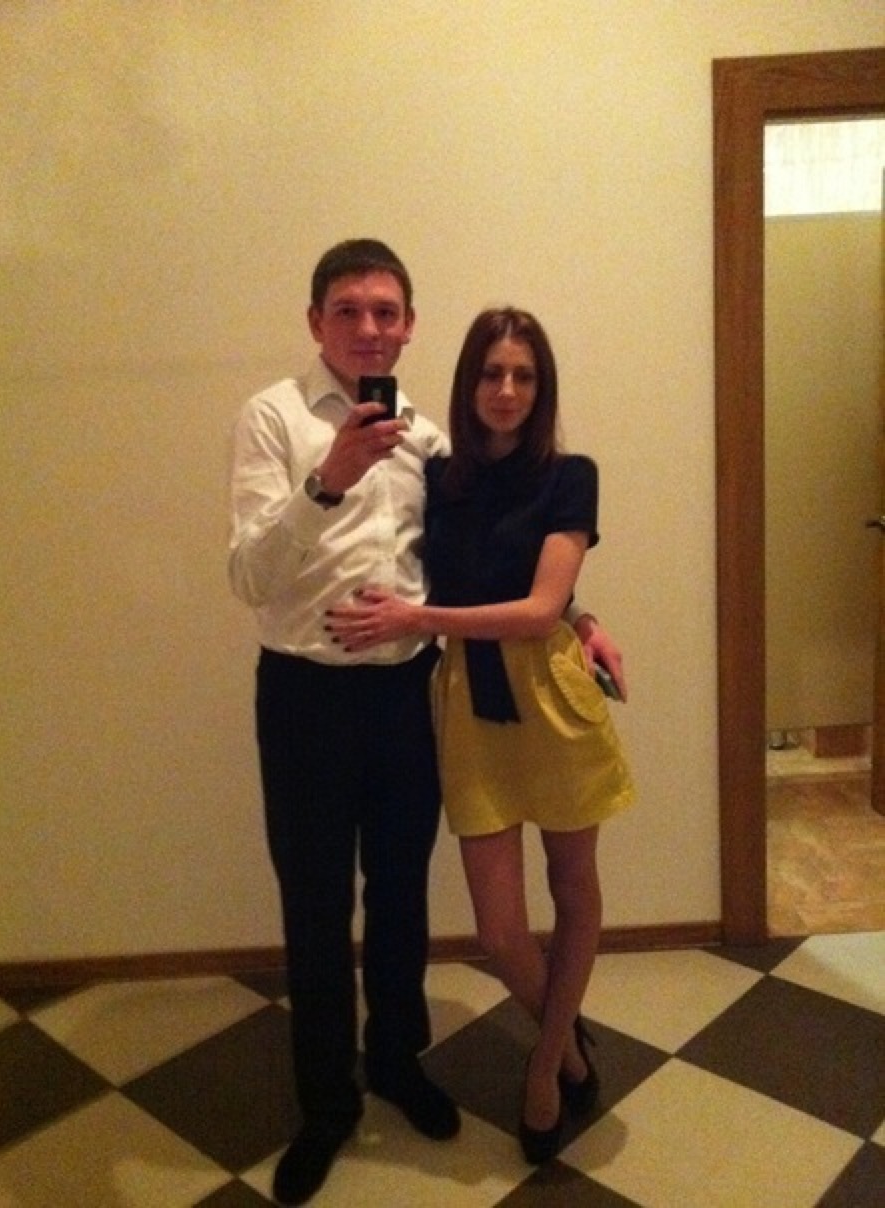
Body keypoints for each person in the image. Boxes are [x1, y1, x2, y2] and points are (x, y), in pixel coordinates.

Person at [228, 241, 626, 1203]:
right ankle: (327, 1105)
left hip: (409, 693)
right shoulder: (273, 418)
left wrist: (578, 617)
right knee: (315, 903)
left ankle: (398, 1062)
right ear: (317, 320)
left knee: (402, 893)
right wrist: (326, 479)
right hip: (305, 696)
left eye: (386, 311)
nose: (368, 327)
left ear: (409, 325)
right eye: (348, 309)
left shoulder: (432, 442)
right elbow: (248, 577)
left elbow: (495, 556)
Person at [327, 306, 635, 1166]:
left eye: (524, 375)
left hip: (552, 696)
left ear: (542, 388)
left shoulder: (570, 475)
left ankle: (545, 1066)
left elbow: (539, 607)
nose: (506, 390)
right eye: (492, 373)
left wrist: (427, 618)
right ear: (468, 384)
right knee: (500, 930)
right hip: (468, 702)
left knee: (573, 888)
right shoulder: (440, 476)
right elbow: (455, 571)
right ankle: (570, 1048)